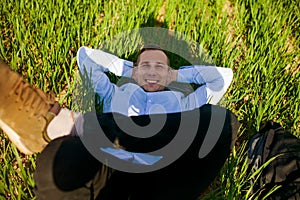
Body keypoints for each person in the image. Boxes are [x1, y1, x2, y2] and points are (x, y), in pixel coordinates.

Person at [0, 44, 240, 200]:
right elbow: (86, 57)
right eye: (145, 65)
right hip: (110, 161)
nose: (153, 71)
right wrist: (128, 71)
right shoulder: (116, 92)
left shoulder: (181, 102)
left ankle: (67, 124)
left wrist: (177, 75)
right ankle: (60, 126)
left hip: (160, 167)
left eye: (161, 67)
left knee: (222, 122)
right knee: (58, 163)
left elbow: (222, 78)